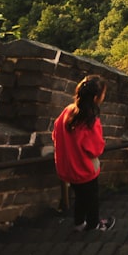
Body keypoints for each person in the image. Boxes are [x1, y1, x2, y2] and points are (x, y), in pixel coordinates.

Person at [52, 74, 116, 232]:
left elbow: (55, 134)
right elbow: (96, 149)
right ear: (96, 97)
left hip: (66, 167)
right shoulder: (90, 121)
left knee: (80, 196)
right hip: (84, 169)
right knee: (91, 198)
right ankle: (94, 225)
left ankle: (79, 223)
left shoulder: (68, 111)